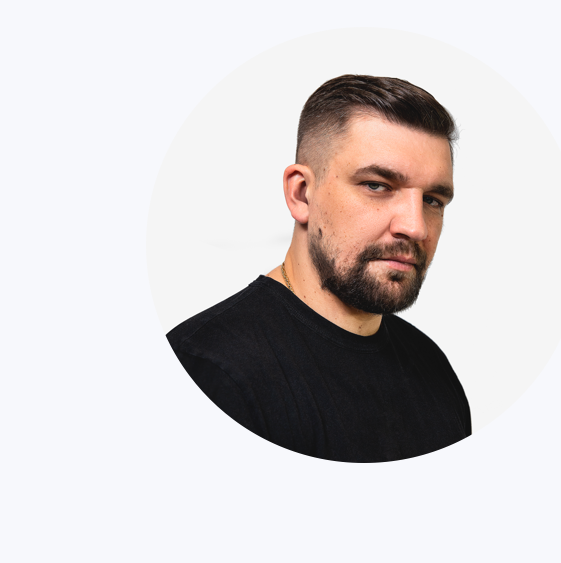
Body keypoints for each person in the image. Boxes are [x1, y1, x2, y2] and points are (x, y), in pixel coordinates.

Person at [167, 74, 470, 462]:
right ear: (301, 194)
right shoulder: (210, 370)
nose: (415, 227)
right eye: (377, 185)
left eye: (432, 200)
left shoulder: (432, 368)